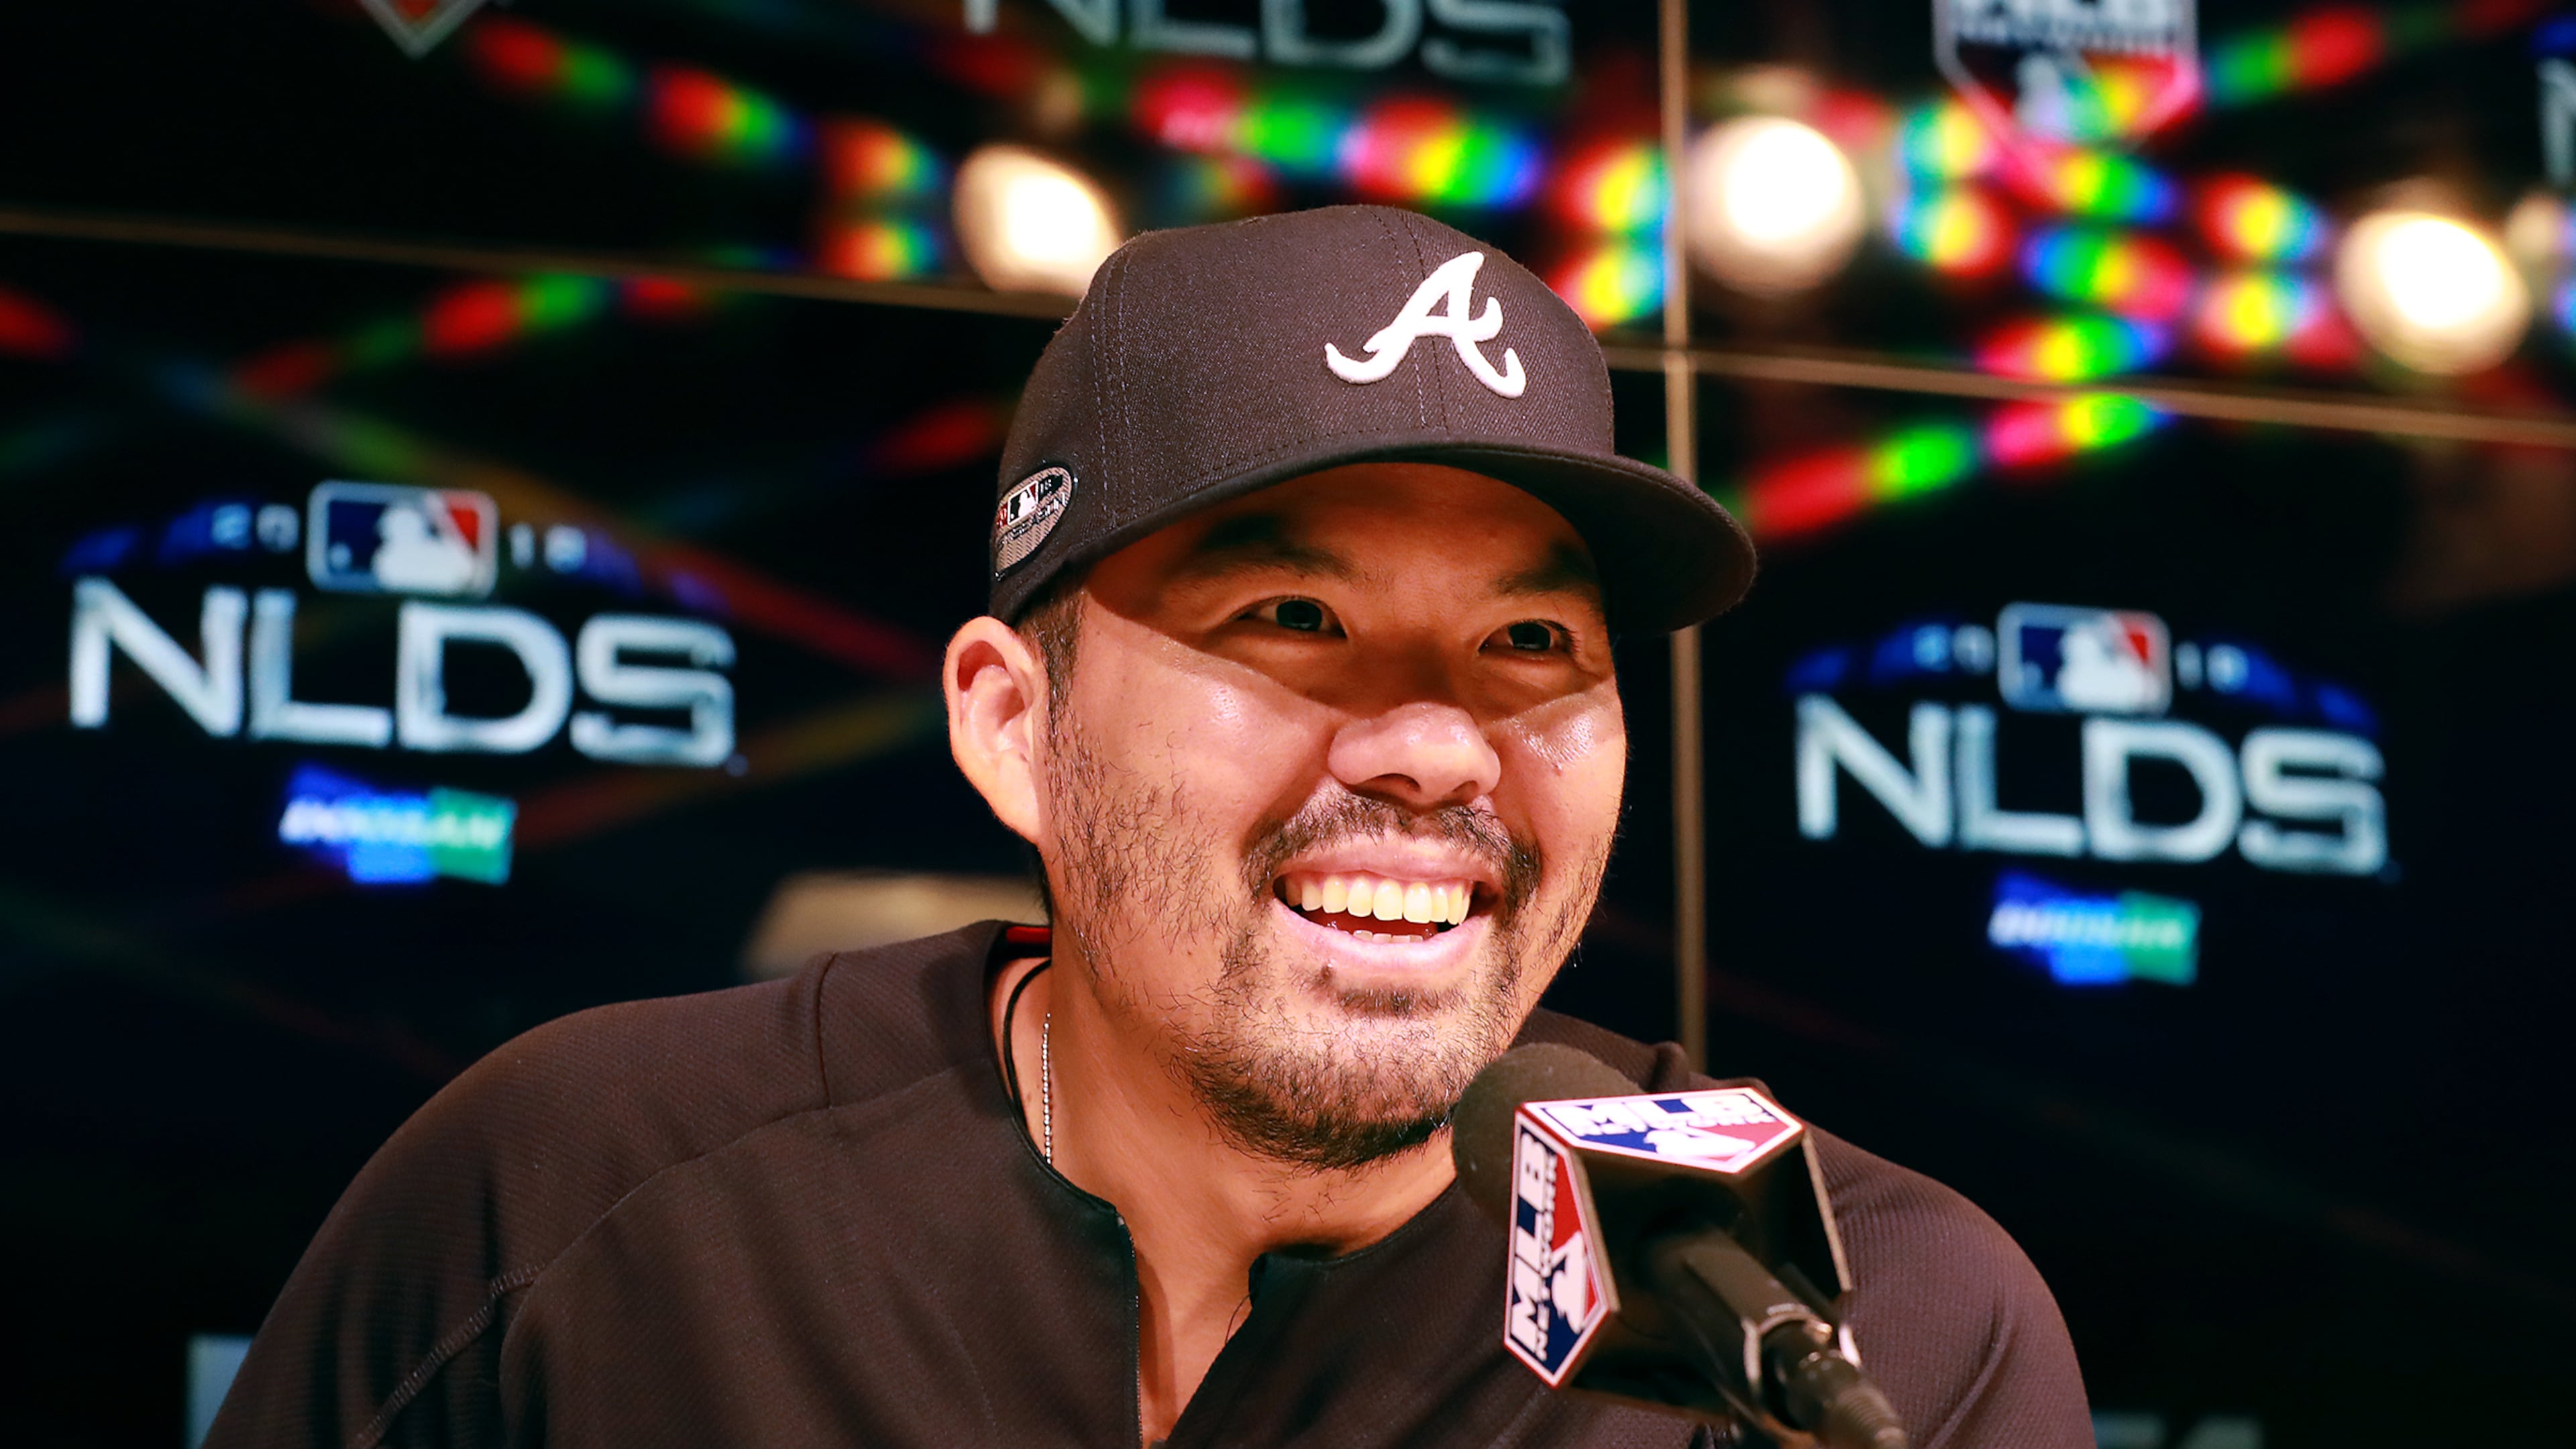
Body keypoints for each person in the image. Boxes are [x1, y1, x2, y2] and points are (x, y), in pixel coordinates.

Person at [207, 205, 2090, 1448]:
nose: (1439, 745)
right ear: (1010, 727)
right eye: (1290, 620)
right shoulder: (585, 1208)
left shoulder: (1872, 1331)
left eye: (1532, 641)